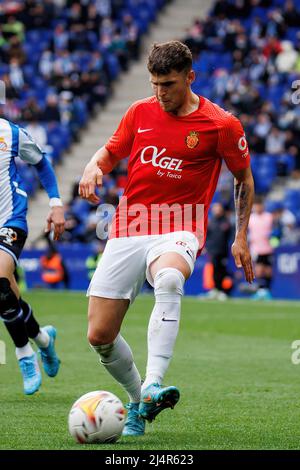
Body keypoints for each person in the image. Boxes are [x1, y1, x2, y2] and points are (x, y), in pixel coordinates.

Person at [79, 41, 255, 436]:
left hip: (180, 226)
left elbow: (243, 178)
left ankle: (155, 381)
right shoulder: (139, 112)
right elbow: (110, 152)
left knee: (171, 278)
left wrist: (240, 236)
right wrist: (92, 166)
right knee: (99, 335)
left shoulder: (221, 124)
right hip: (129, 226)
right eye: (155, 84)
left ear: (190, 77)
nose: (160, 93)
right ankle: (140, 397)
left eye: (169, 84)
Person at [0, 117, 65, 395]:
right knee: (8, 295)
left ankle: (25, 355)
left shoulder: (10, 133)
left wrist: (56, 203)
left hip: (10, 220)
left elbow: (41, 162)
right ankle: (43, 338)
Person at [205, 202, 233, 300]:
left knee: (222, 271)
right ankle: (216, 289)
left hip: (223, 251)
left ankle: (222, 290)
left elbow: (231, 236)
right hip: (213, 250)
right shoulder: (210, 222)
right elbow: (207, 236)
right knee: (215, 270)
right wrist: (206, 247)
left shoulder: (226, 222)